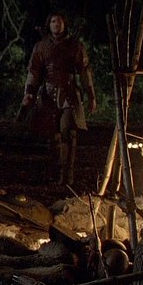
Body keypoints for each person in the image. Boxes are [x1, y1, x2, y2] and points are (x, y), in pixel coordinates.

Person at [21, 11, 97, 185]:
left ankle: (68, 174)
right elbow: (34, 71)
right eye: (53, 21)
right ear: (49, 24)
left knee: (68, 133)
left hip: (69, 94)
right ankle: (56, 173)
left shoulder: (75, 46)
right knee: (52, 135)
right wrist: (29, 92)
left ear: (65, 24)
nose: (57, 24)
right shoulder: (41, 46)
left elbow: (84, 71)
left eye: (60, 21)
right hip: (48, 95)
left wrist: (91, 96)